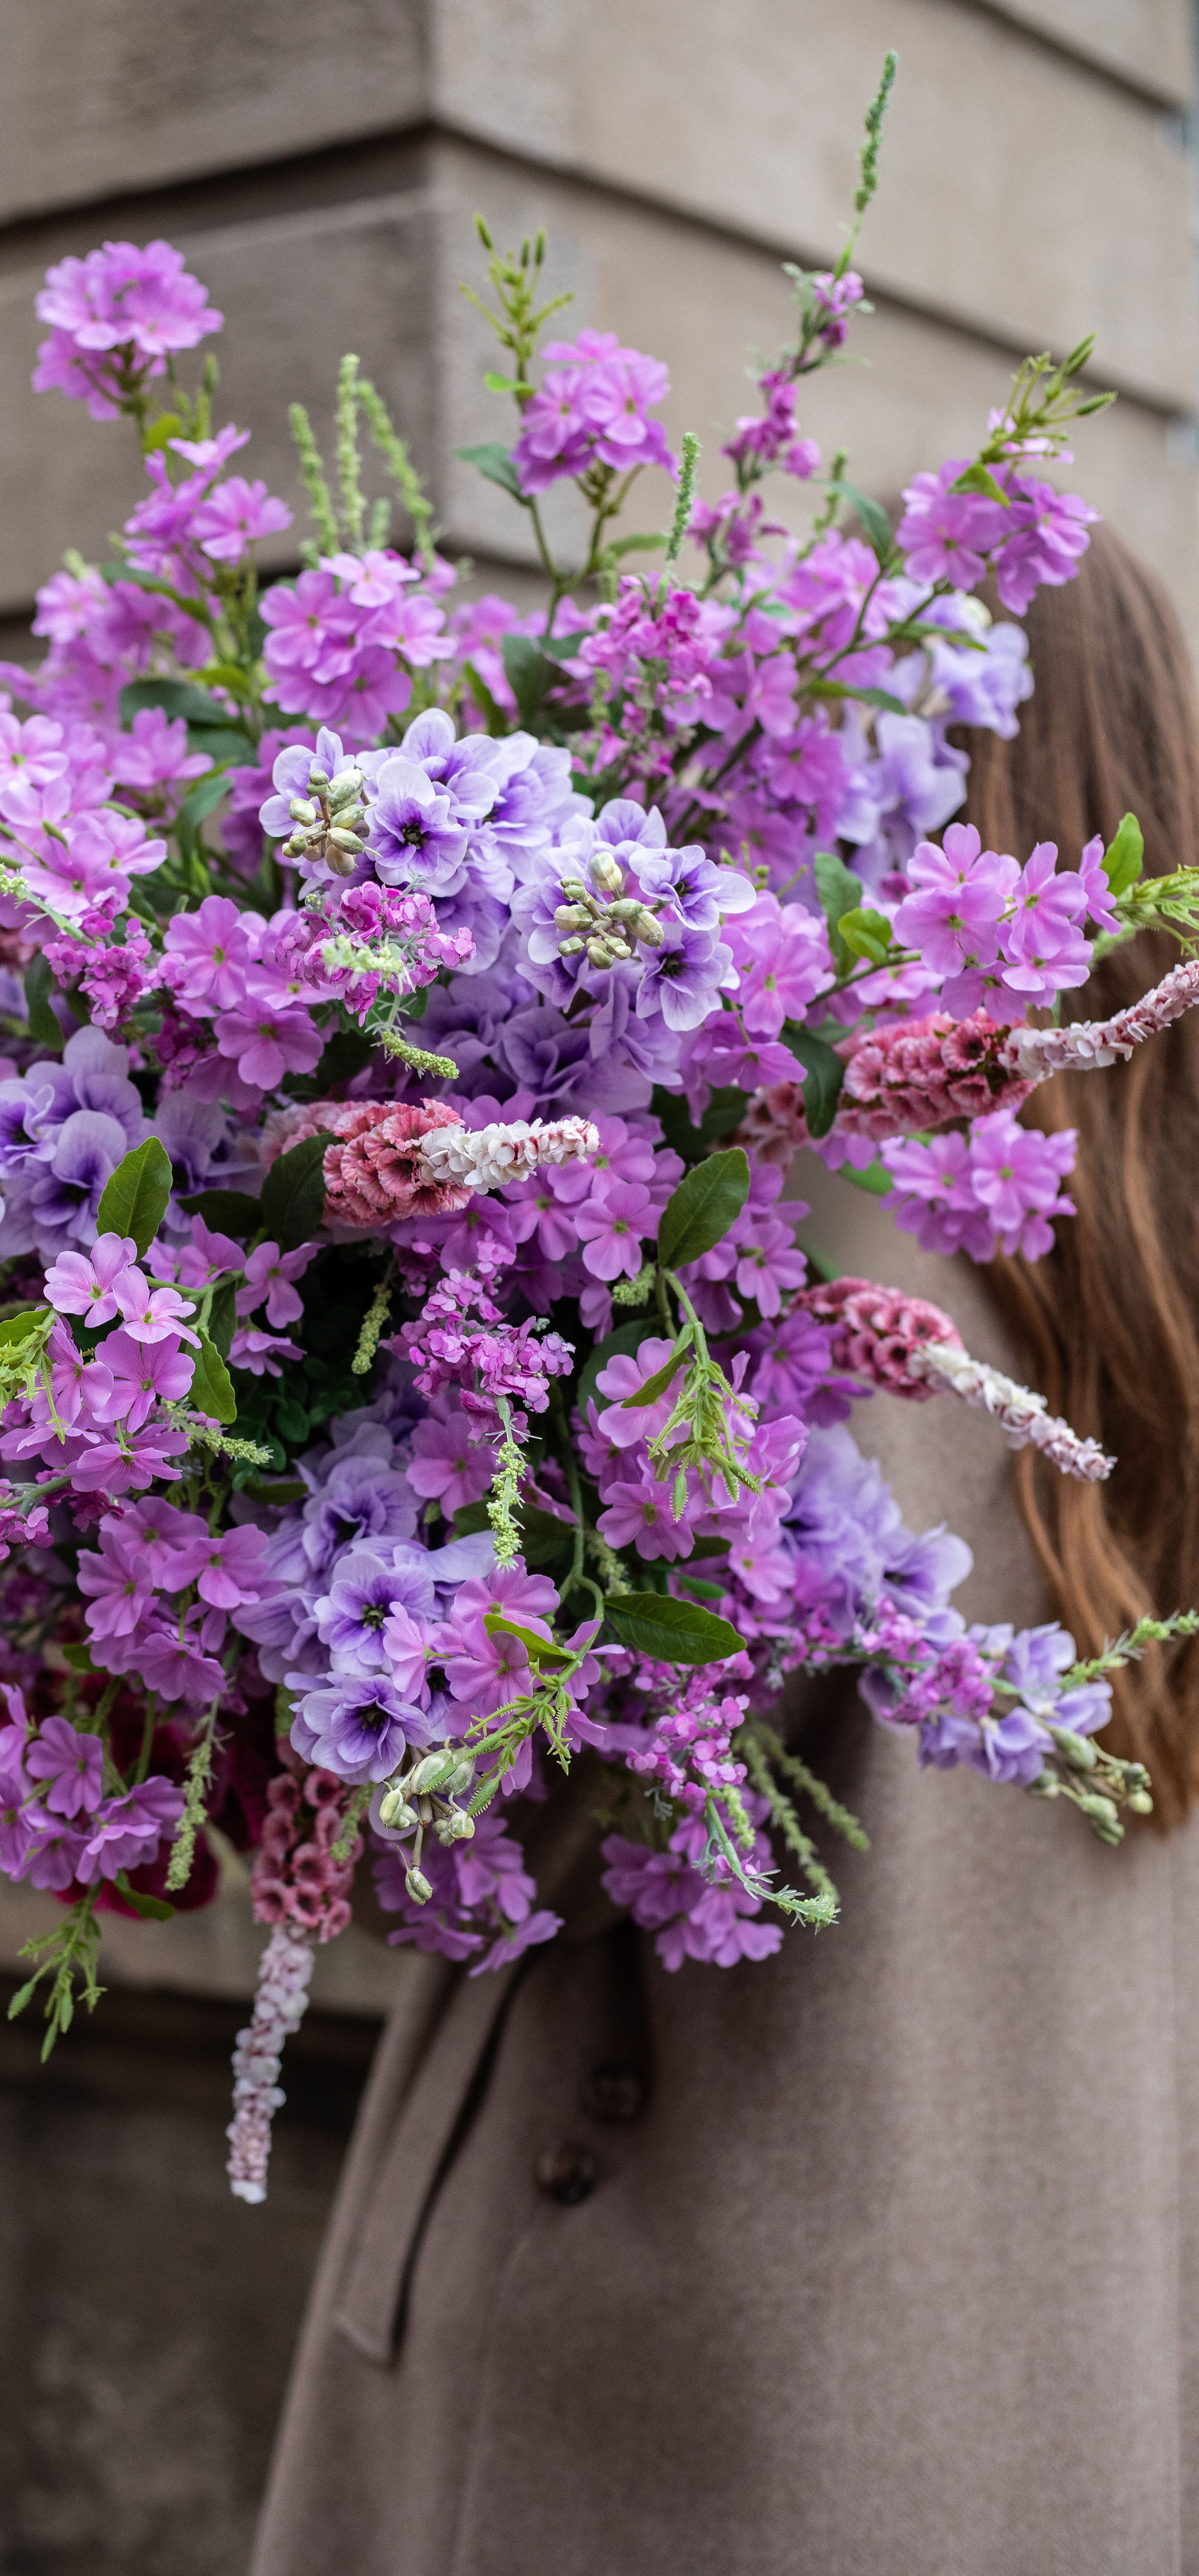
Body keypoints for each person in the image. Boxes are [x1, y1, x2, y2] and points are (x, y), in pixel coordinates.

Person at [250, 525, 1199, 2576]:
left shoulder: (800, 1256)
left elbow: (534, 1827)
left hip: (669, 2359)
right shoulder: (1163, 1284)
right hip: (1051, 2367)